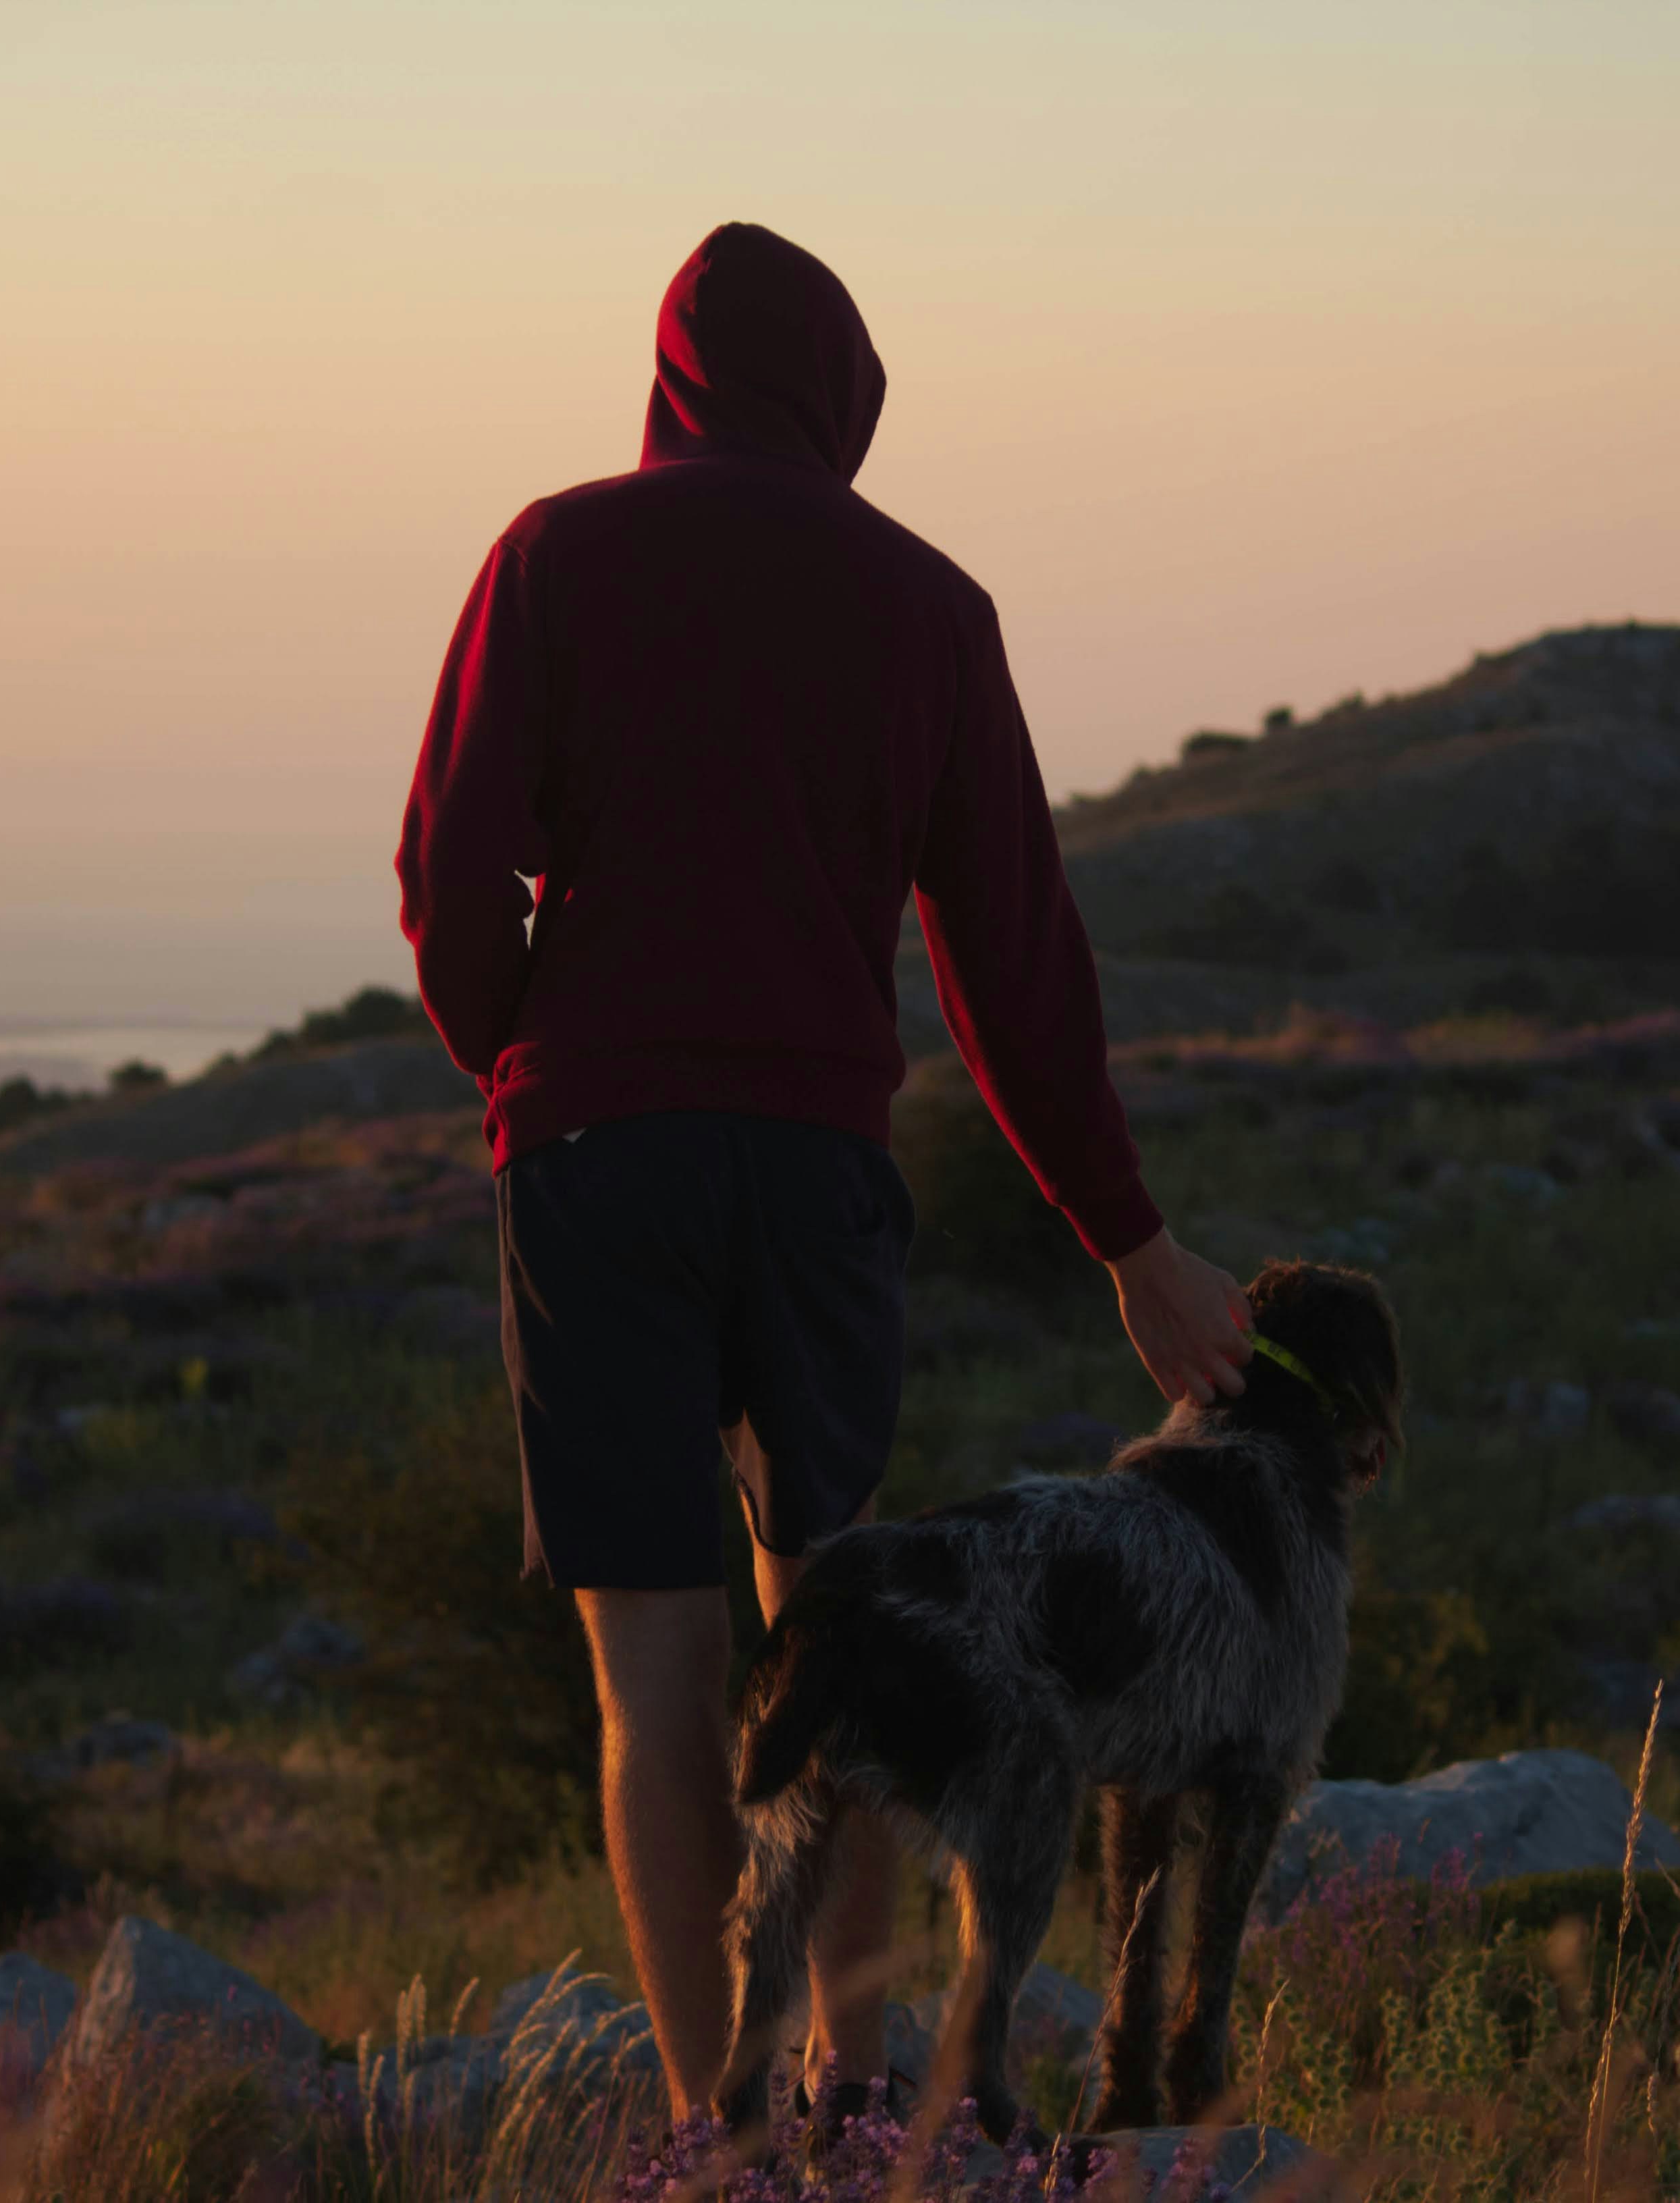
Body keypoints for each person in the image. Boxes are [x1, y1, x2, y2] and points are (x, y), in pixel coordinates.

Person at [396, 221, 1253, 2124]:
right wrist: (1127, 1239)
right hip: (816, 1177)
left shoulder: (554, 556)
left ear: (672, 376)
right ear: (847, 393)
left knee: (656, 1687)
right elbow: (1013, 957)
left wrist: (523, 1047)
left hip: (598, 1164)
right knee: (839, 1657)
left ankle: (720, 2145)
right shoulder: (930, 608)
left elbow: (447, 872)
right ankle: (856, 2103)